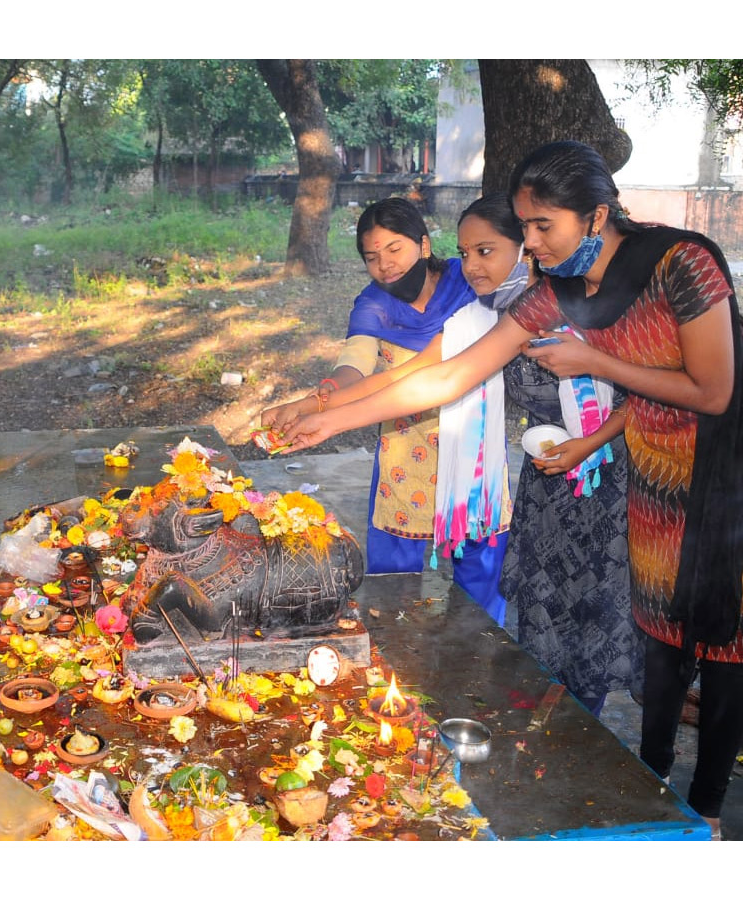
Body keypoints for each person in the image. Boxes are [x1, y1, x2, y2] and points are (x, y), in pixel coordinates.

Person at [279, 141, 743, 835]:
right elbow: (451, 374)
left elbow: (713, 390)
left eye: (541, 227)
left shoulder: (685, 262)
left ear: (596, 216)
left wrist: (589, 358)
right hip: (652, 474)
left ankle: (704, 808)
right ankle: (650, 794)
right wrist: (327, 420)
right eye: (522, 228)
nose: (530, 243)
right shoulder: (553, 291)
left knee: (724, 644)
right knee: (661, 642)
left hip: (722, 476)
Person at [262, 197, 509, 620]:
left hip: (474, 454)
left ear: (424, 245)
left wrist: (320, 410)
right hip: (404, 455)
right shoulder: (373, 305)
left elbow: (430, 372)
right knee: (393, 587)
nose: (386, 266)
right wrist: (317, 399)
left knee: (481, 582)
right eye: (372, 257)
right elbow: (354, 368)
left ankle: (482, 664)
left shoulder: (472, 287)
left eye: (395, 249)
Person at [458, 194, 638, 717]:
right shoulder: (505, 317)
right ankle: (538, 721)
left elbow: (640, 394)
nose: (471, 266)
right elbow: (439, 372)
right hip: (545, 484)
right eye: (464, 253)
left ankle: (583, 730)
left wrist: (589, 442)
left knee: (592, 614)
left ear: (526, 250)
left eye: (485, 251)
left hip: (603, 482)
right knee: (542, 613)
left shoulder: (583, 305)